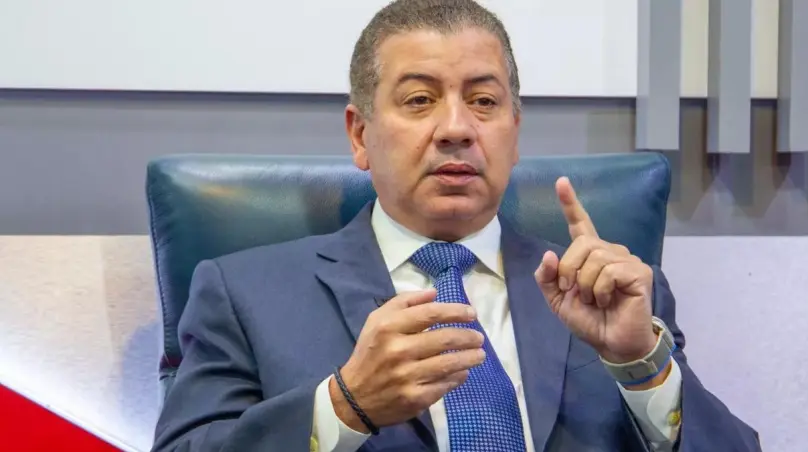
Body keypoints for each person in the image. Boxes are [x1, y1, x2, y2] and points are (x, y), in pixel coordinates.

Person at [151, 0, 761, 451]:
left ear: (514, 132)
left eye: (484, 102)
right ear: (360, 135)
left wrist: (643, 366)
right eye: (419, 100)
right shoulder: (244, 294)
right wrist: (343, 406)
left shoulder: (609, 292)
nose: (456, 128)